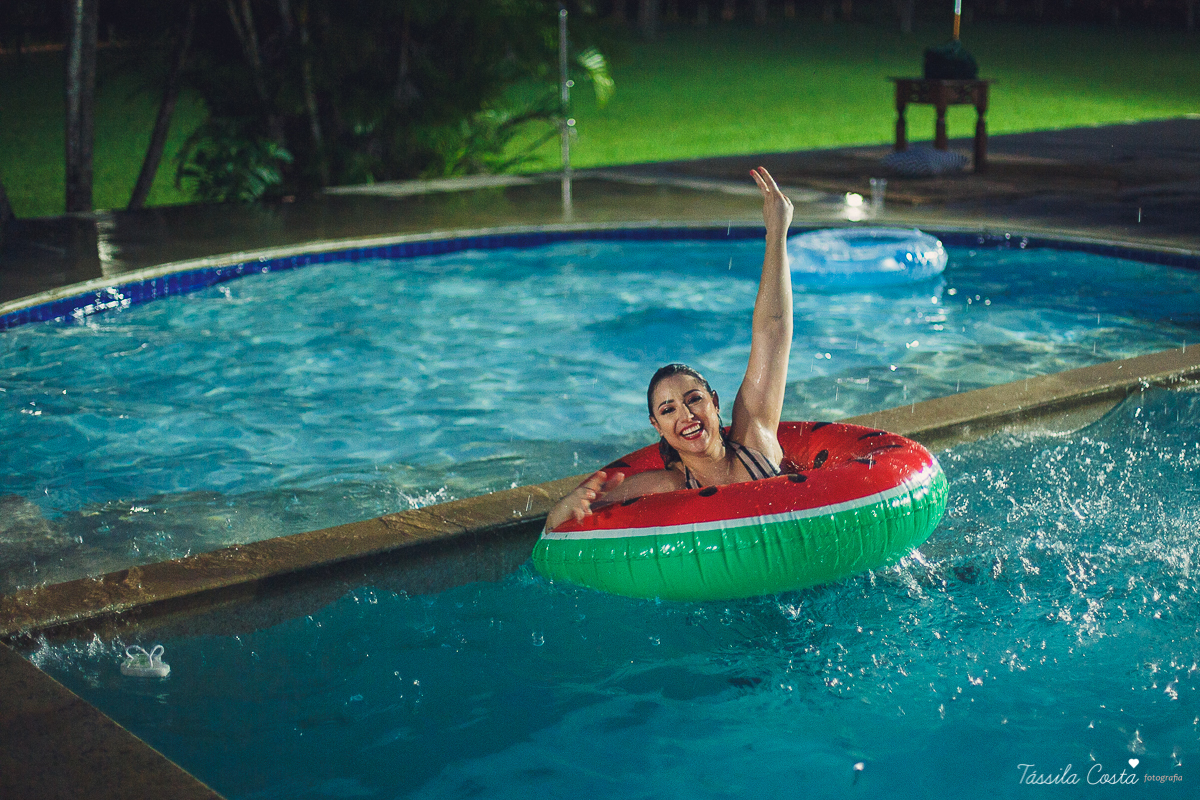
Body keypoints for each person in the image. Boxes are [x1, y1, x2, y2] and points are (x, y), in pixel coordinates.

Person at [544, 166, 794, 531]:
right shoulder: (667, 485)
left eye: (694, 399)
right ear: (656, 426)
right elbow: (563, 519)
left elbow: (773, 331)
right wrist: (563, 507)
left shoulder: (756, 439)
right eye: (668, 409)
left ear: (715, 402)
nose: (687, 417)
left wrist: (777, 232)